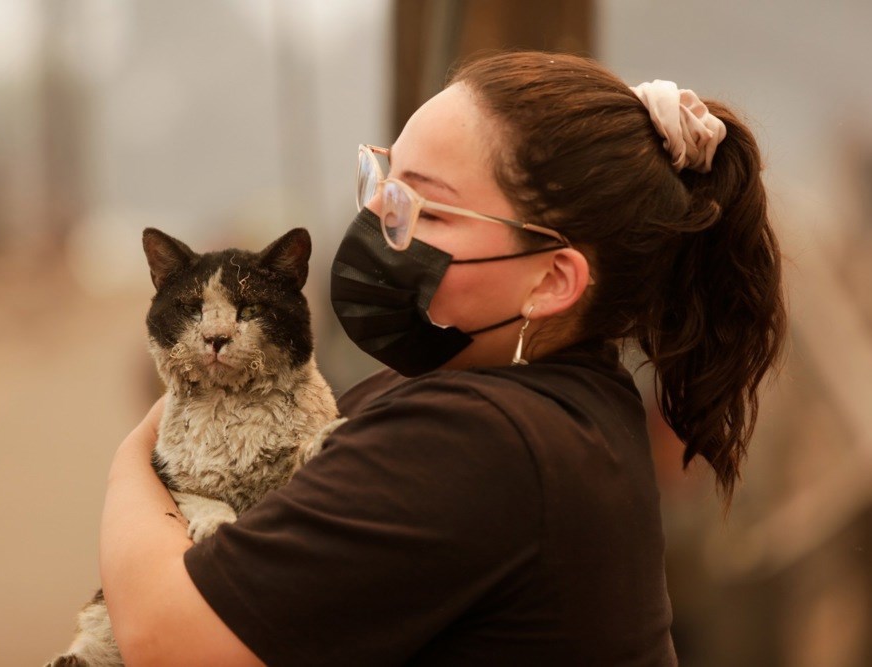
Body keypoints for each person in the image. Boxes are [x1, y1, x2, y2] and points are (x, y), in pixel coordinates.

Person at [99, 51, 786, 666]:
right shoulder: (568, 397)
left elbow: (167, 640)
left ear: (552, 280)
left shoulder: (479, 440)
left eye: (429, 209)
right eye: (387, 184)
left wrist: (144, 448)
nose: (381, 223)